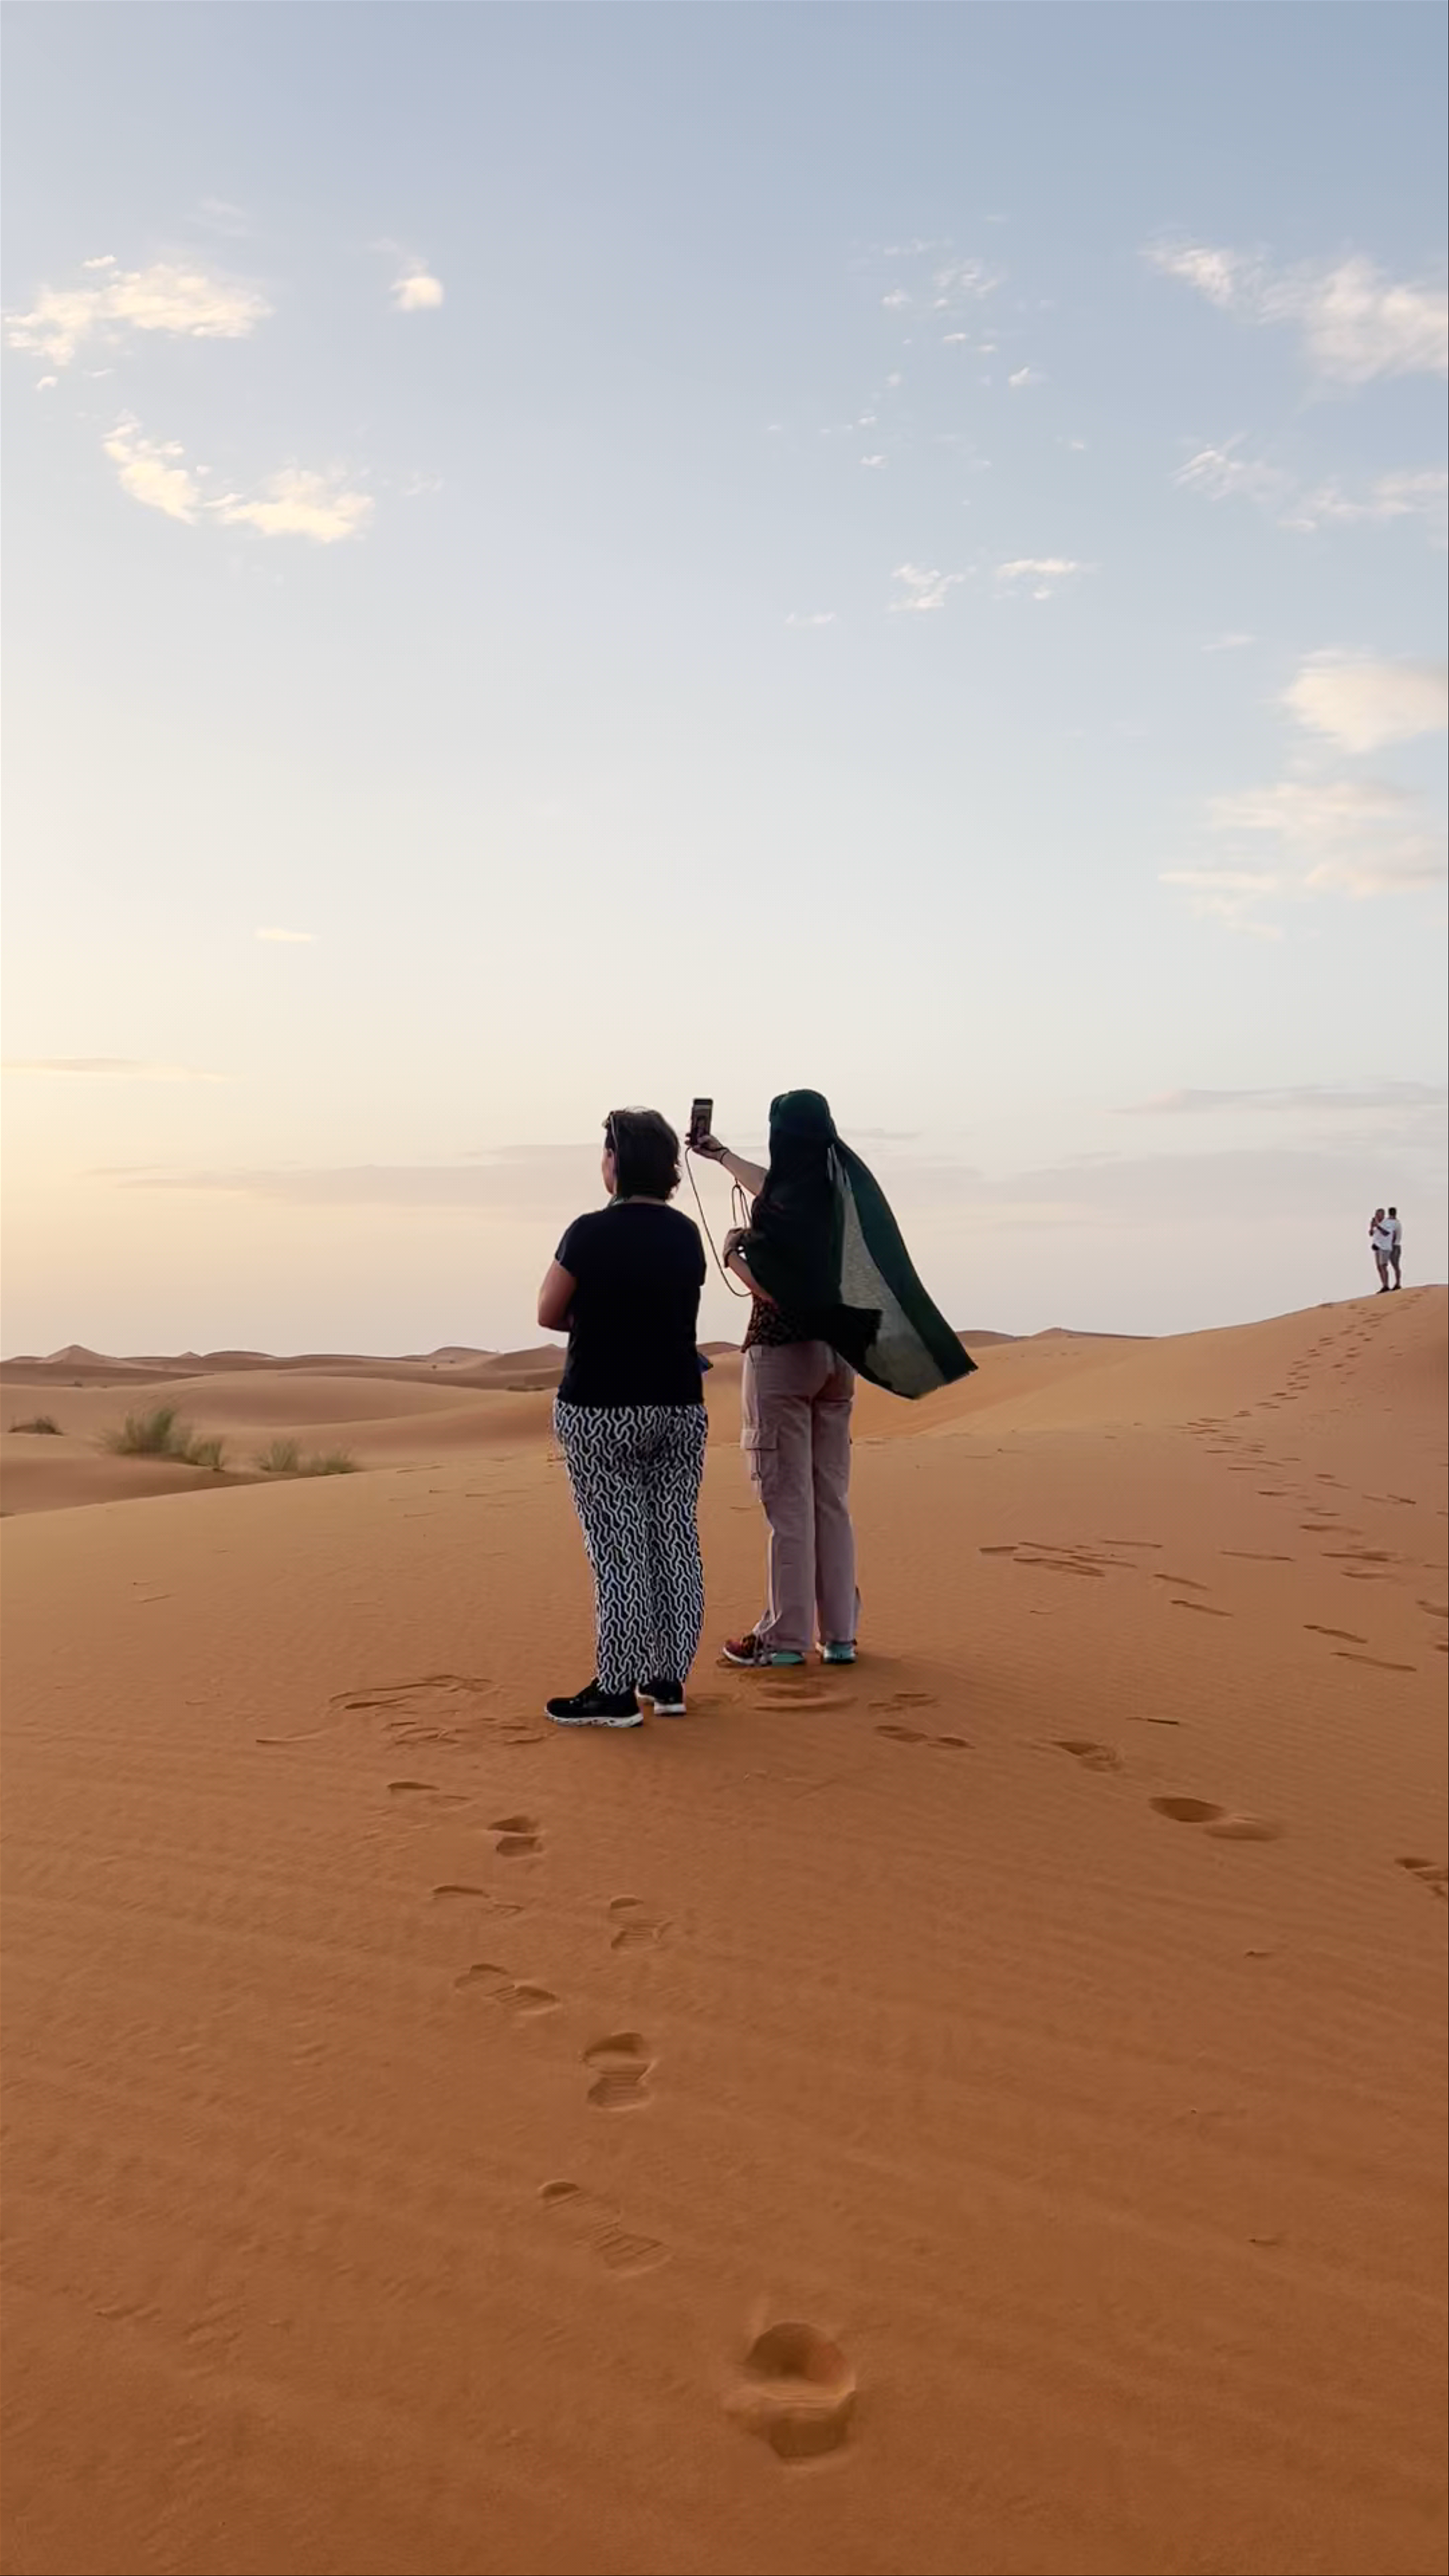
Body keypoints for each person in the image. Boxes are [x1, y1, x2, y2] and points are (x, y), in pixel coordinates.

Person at [696, 1090, 975, 1671]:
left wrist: (733, 1256)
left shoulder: (792, 1204)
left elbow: (778, 1288)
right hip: (837, 1362)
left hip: (782, 1357)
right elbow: (769, 1188)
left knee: (789, 1505)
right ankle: (840, 1635)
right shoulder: (836, 1196)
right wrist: (721, 1155)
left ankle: (785, 1638)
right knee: (830, 1500)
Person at [538, 1108, 708, 1726]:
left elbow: (549, 1312)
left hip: (601, 1409)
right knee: (674, 1540)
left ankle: (615, 1689)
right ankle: (667, 1681)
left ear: (616, 1162)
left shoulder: (587, 1233)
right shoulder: (686, 1235)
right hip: (678, 1405)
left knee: (620, 1548)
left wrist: (598, 1316)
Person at [1369, 1207, 1395, 1292]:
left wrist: (1378, 1226)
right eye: (1376, 1215)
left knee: (1383, 1266)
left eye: (1378, 1215)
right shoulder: (1377, 1224)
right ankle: (1384, 1285)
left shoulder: (1388, 1223)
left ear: (1383, 1215)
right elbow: (1371, 1234)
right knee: (1379, 1267)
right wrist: (1372, 1227)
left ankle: (1386, 1285)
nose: (1377, 1216)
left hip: (1385, 1247)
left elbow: (1386, 1233)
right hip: (1377, 1247)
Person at [1386, 1206, 1404, 1290]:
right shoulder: (1397, 1223)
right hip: (1395, 1245)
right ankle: (1397, 1283)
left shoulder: (1394, 1223)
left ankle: (1398, 1283)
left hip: (1394, 1246)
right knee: (1395, 1266)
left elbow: (1393, 1235)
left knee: (1395, 1265)